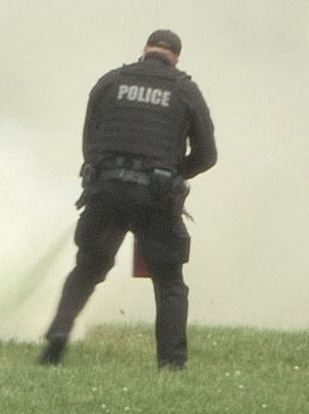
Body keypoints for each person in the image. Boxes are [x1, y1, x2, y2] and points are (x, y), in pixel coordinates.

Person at [39, 30, 217, 370]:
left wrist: (107, 171)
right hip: (156, 197)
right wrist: (174, 173)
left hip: (106, 191)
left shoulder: (110, 82)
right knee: (169, 282)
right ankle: (171, 364)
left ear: (145, 50)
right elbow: (207, 155)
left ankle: (58, 336)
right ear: (176, 57)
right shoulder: (185, 90)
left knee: (87, 269)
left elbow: (90, 142)